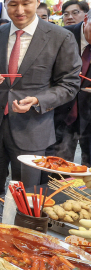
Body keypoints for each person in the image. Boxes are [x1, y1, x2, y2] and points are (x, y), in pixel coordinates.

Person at [0, 0, 80, 198]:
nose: (19, 10)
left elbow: (70, 84)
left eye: (26, 3)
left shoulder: (60, 37)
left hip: (32, 129)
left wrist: (39, 100)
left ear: (38, 1)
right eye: (13, 4)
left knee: (27, 196)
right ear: (5, 4)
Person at [48, 12, 91, 165]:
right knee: (57, 166)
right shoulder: (62, 36)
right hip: (60, 111)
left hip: (88, 112)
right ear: (86, 20)